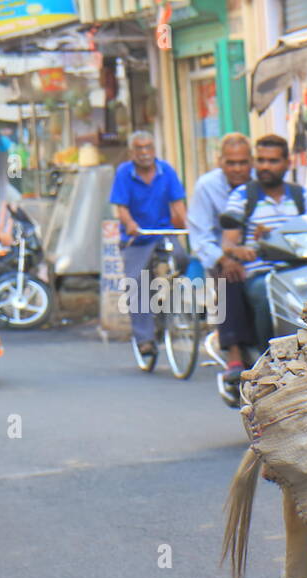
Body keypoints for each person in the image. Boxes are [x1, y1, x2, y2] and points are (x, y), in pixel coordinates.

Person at [220, 134, 307, 348]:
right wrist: (238, 250)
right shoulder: (243, 196)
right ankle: (268, 355)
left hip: (302, 270)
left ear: (287, 164)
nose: (265, 166)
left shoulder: (300, 195)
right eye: (261, 160)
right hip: (263, 274)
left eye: (273, 161)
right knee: (266, 295)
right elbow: (228, 242)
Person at [109, 130, 188, 357]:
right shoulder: (124, 173)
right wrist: (130, 223)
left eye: (148, 148)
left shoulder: (166, 171)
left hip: (163, 233)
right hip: (139, 237)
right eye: (139, 148)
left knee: (182, 258)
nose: (144, 153)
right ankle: (144, 338)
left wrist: (184, 224)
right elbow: (121, 207)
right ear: (131, 152)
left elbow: (178, 203)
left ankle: (170, 306)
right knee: (137, 283)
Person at [186, 132, 255, 394]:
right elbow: (201, 236)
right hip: (220, 254)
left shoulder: (261, 181)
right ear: (221, 162)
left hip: (260, 253)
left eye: (242, 162)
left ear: (251, 162)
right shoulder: (207, 186)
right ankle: (234, 352)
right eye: (231, 163)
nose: (237, 168)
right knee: (229, 279)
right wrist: (224, 258)